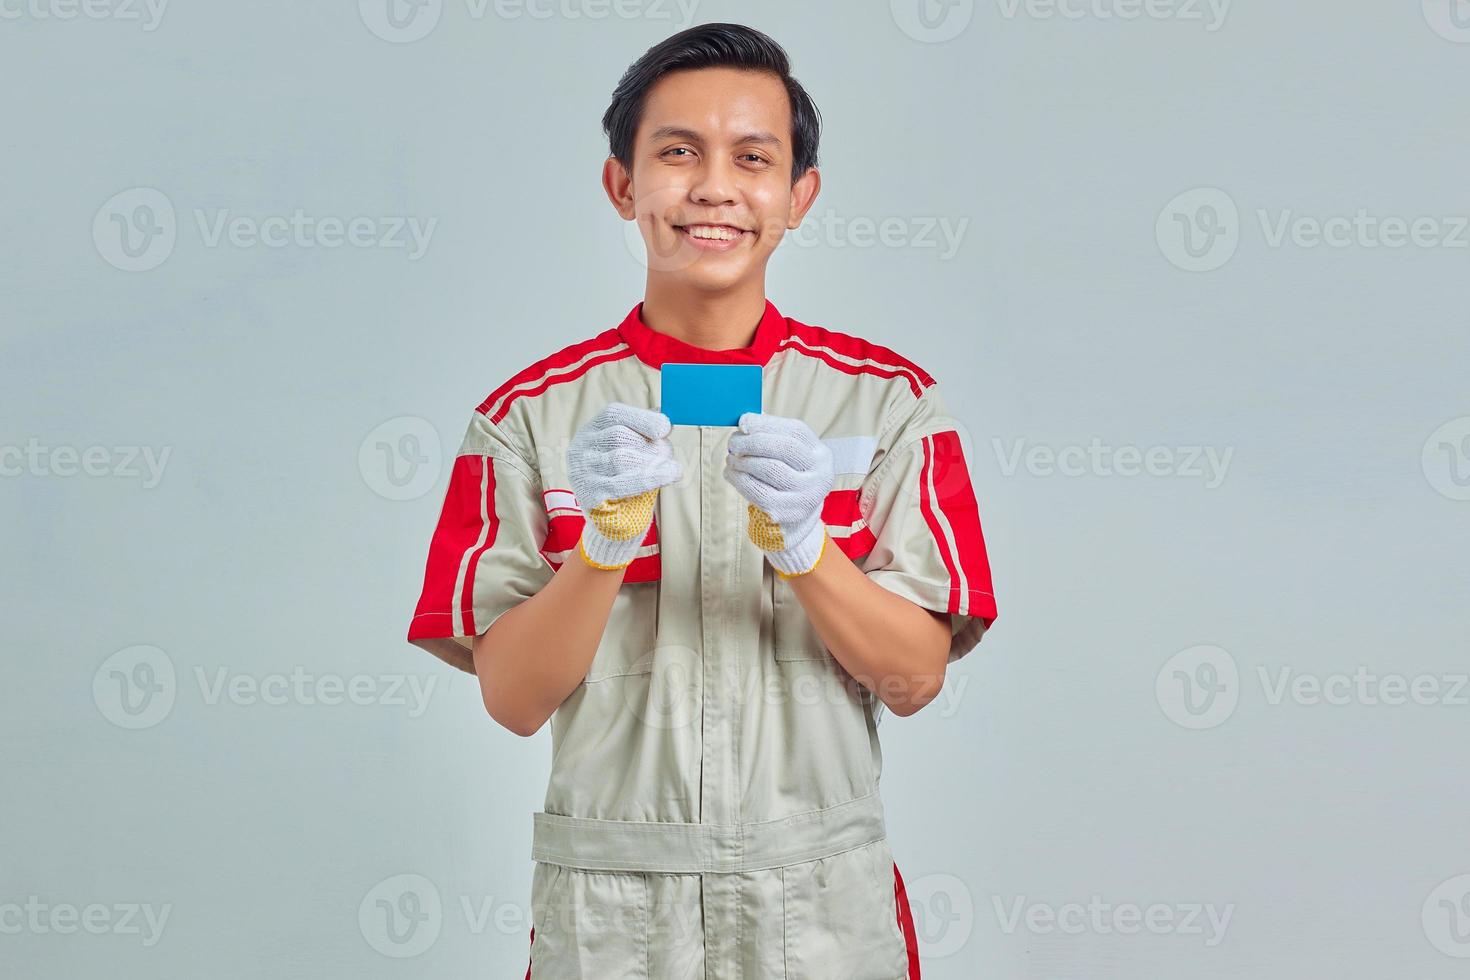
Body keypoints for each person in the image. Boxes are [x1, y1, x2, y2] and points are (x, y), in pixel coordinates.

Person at [406, 22, 998, 980]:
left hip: (817, 911)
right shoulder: (529, 418)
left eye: (753, 158)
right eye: (677, 152)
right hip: (612, 917)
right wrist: (600, 546)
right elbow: (513, 702)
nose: (714, 187)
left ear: (799, 195)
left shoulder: (886, 404)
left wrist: (808, 550)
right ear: (622, 186)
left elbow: (914, 679)